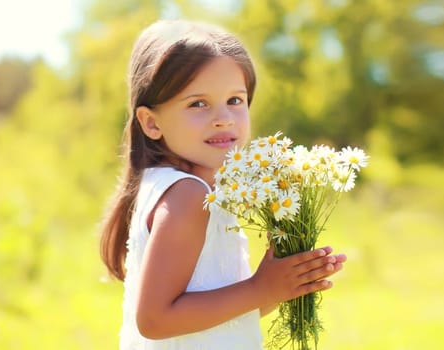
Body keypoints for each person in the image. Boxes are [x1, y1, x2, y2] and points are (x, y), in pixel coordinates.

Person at [99, 19, 346, 349]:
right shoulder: (188, 195)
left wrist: (284, 284)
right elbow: (155, 320)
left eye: (235, 100)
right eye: (197, 103)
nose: (223, 118)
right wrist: (262, 288)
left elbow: (210, 317)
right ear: (151, 122)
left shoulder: (173, 186)